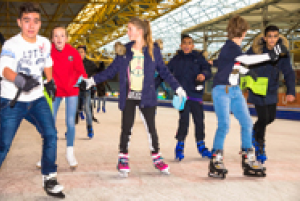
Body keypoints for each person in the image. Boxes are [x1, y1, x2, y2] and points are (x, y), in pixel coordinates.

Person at [80, 17, 187, 177]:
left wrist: (177, 87)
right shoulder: (124, 51)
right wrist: (91, 81)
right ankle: (123, 157)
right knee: (126, 128)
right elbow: (111, 70)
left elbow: (164, 72)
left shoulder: (153, 50)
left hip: (147, 96)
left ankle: (157, 157)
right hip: (129, 96)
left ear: (140, 31)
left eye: (130, 29)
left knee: (151, 129)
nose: (127, 32)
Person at [208, 15, 287, 179]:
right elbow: (245, 59)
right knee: (224, 125)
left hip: (235, 90)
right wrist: (271, 55)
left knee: (247, 123)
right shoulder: (230, 47)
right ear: (244, 32)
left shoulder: (233, 48)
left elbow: (235, 66)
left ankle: (248, 158)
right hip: (222, 90)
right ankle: (215, 160)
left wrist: (247, 72)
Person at [0, 3, 64, 198]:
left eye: (35, 21)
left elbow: (47, 62)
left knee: (51, 134)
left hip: (37, 99)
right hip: (12, 100)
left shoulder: (44, 42)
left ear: (40, 24)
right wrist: (20, 80)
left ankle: (49, 177)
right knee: (3, 144)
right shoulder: (11, 44)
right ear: (20, 22)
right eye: (27, 20)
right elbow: (4, 69)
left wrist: (50, 81)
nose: (31, 25)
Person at [36, 26, 87, 170]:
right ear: (52, 39)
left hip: (71, 90)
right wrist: (44, 81)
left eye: (62, 36)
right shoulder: (48, 52)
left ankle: (69, 153)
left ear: (67, 38)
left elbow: (81, 72)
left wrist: (82, 81)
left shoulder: (73, 53)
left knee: (70, 122)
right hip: (55, 91)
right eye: (56, 36)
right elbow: (40, 69)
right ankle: (46, 155)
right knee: (49, 122)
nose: (59, 39)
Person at [158, 34, 212, 161]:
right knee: (184, 120)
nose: (187, 45)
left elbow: (207, 70)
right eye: (184, 43)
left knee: (199, 121)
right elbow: (165, 73)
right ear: (181, 46)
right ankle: (180, 145)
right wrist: (152, 84)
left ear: (192, 46)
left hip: (196, 95)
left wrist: (203, 75)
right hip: (182, 95)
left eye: (189, 43)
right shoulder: (176, 60)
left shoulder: (199, 58)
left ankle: (201, 145)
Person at [246, 25, 295, 164]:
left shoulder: (283, 53)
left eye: (275, 36)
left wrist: (290, 91)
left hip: (272, 89)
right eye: (270, 36)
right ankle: (260, 145)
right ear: (265, 37)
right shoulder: (256, 50)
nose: (272, 39)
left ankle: (254, 132)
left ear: (278, 37)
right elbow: (245, 62)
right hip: (257, 87)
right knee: (264, 117)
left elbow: (288, 72)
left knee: (271, 118)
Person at [77, 45, 99, 138]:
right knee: (73, 111)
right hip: (75, 90)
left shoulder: (90, 63)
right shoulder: (73, 63)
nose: (80, 53)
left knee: (87, 110)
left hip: (86, 90)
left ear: (85, 53)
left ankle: (90, 128)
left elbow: (98, 72)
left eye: (81, 52)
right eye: (78, 52)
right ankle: (70, 129)